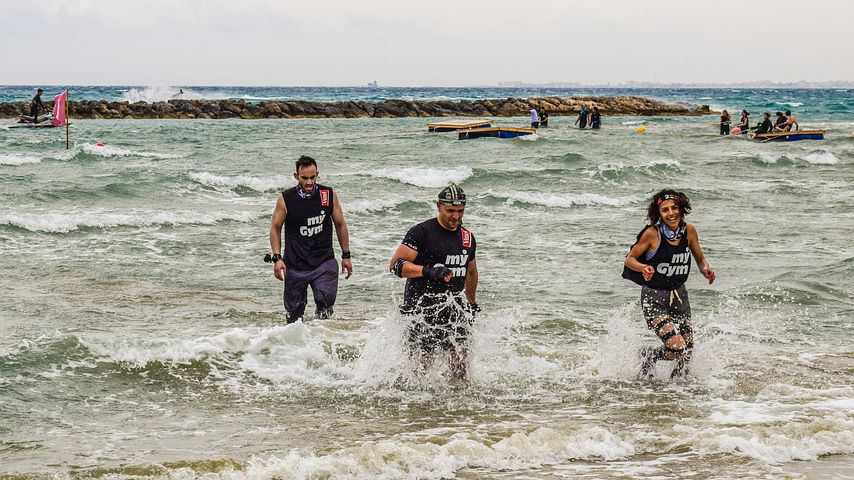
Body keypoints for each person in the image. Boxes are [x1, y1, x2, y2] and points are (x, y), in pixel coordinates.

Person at [389, 184, 479, 380]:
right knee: (421, 370)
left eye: (460, 211)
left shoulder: (467, 238)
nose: (456, 216)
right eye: (451, 211)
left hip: (452, 307)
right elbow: (396, 265)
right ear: (438, 206)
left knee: (461, 362)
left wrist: (471, 304)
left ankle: (458, 405)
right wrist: (428, 271)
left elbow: (471, 272)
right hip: (420, 309)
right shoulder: (421, 232)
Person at [622, 189, 715, 379]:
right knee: (677, 347)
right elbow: (629, 259)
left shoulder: (689, 231)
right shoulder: (651, 234)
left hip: (679, 295)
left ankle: (679, 392)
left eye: (674, 208)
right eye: (665, 210)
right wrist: (643, 268)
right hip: (654, 297)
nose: (671, 213)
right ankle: (648, 355)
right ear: (659, 214)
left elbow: (700, 258)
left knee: (688, 350)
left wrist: (705, 269)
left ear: (681, 208)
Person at [269, 155, 353, 323]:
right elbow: (275, 228)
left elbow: (340, 224)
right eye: (304, 178)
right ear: (296, 176)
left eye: (312, 177)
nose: (309, 182)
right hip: (295, 264)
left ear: (317, 174)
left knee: (325, 305)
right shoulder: (286, 199)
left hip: (324, 261)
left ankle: (322, 341)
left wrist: (346, 255)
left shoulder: (327, 195)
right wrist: (277, 258)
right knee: (294, 315)